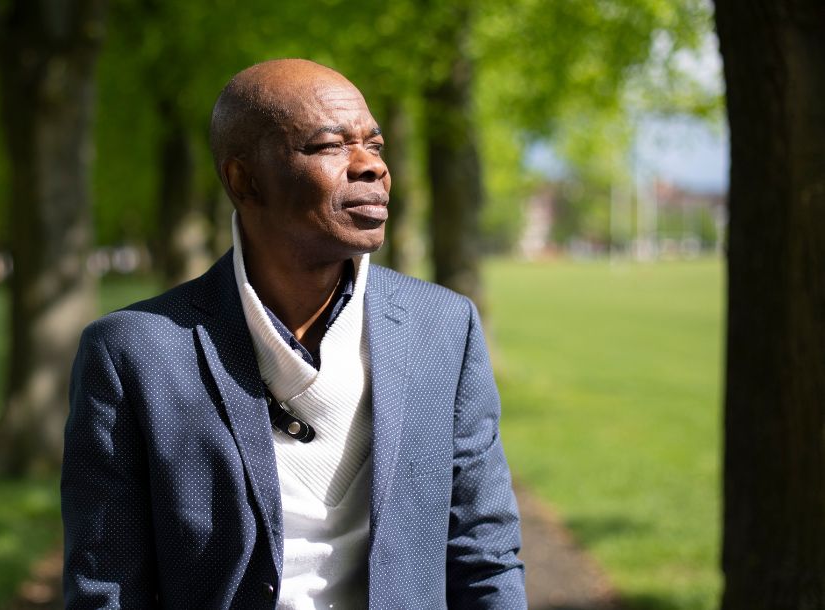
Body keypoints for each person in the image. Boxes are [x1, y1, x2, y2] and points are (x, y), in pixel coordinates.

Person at [62, 58, 525, 609]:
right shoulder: (134, 351)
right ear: (243, 180)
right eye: (330, 145)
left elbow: (484, 553)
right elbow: (106, 588)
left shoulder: (443, 327)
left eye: (375, 146)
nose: (371, 167)